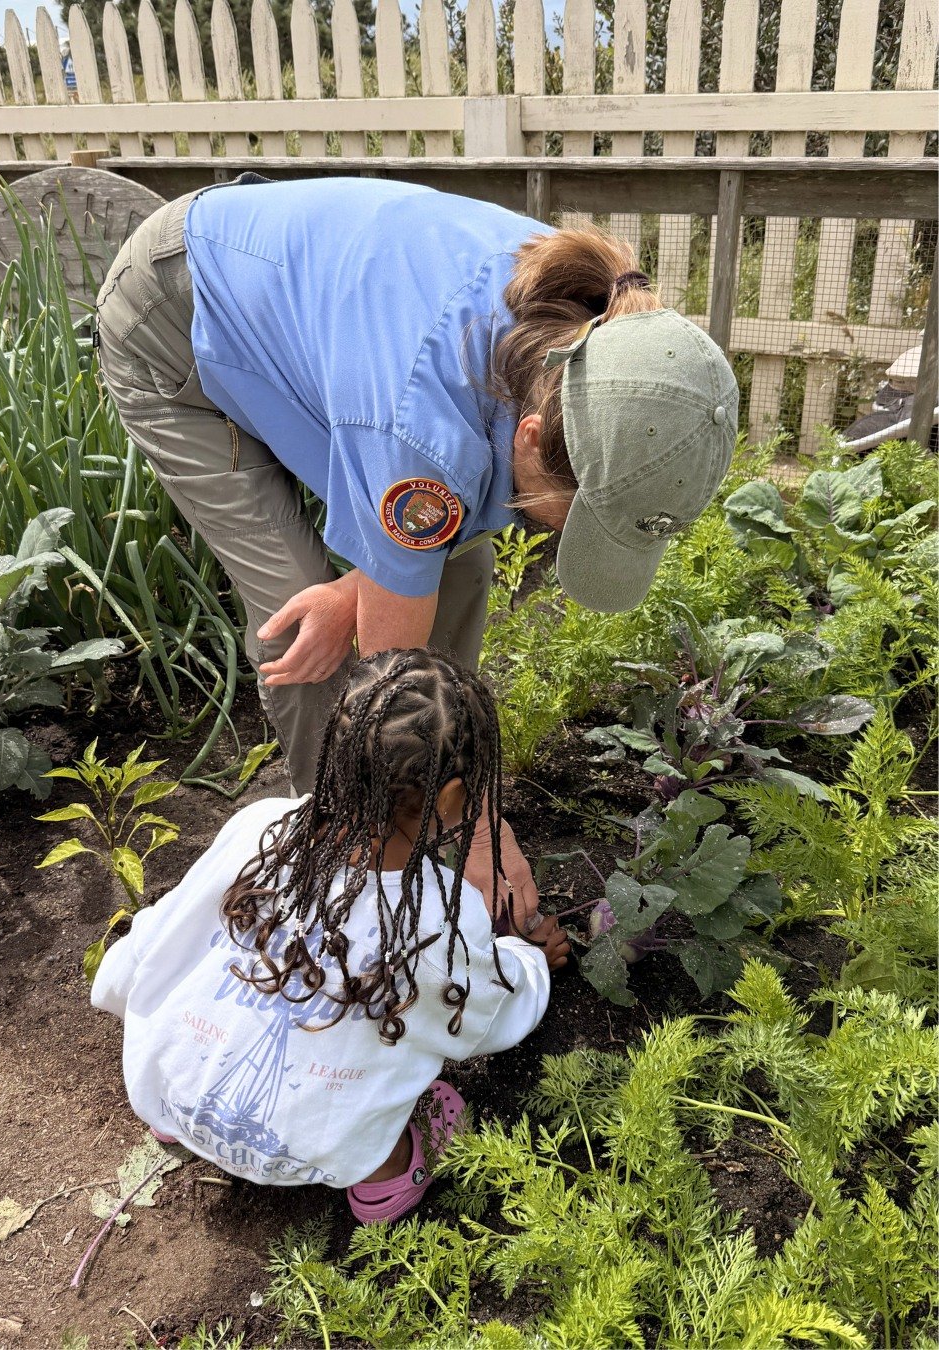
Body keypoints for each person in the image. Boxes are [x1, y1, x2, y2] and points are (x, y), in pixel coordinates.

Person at [94, 174, 739, 936]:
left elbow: (434, 529)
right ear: (530, 437)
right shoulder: (424, 425)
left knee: (452, 567)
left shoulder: (594, 340)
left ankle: (422, 814)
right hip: (179, 324)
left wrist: (369, 590)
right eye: (575, 521)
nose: (561, 540)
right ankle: (350, 867)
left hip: (327, 337)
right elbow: (391, 690)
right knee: (308, 628)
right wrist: (483, 828)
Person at [91, 649, 569, 1221]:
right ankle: (384, 1183)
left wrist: (132, 1000)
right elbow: (491, 1019)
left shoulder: (259, 828)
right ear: (449, 798)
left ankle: (185, 1112)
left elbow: (156, 941)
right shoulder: (441, 915)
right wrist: (527, 957)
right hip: (313, 1152)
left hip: (164, 1091)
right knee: (405, 1068)